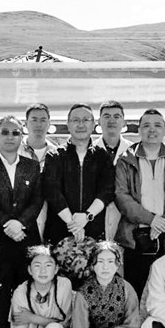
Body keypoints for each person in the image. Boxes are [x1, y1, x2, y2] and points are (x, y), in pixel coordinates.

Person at [114, 108, 165, 296]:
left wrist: (162, 222)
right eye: (146, 125)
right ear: (139, 130)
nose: (152, 130)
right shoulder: (126, 160)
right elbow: (121, 196)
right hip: (134, 239)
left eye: (157, 125)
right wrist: (151, 220)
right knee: (135, 291)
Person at [0, 115, 43, 285]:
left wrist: (21, 224)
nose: (10, 137)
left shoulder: (33, 166)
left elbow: (37, 201)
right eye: (5, 132)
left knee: (27, 288)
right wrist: (8, 224)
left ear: (21, 136)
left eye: (15, 133)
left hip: (26, 237)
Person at [43, 103, 115, 244]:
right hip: (60, 233)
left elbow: (106, 191)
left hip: (94, 233)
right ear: (68, 125)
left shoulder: (103, 157)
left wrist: (87, 216)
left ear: (93, 124)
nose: (80, 125)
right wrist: (73, 224)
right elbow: (52, 192)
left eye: (85, 120)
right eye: (75, 120)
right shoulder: (55, 156)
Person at [93, 100, 133, 241]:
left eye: (117, 116)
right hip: (94, 218)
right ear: (99, 122)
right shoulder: (88, 151)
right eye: (107, 116)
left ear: (124, 122)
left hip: (126, 220)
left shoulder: (134, 152)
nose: (112, 120)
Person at [19, 103, 59, 238]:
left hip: (50, 218)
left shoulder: (57, 153)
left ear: (49, 124)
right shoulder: (13, 152)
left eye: (43, 120)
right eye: (34, 120)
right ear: (25, 124)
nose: (38, 124)